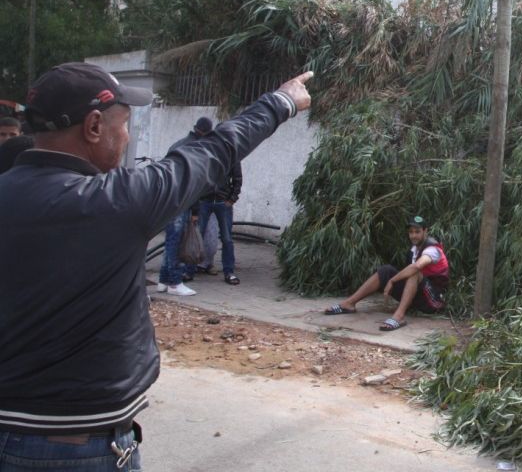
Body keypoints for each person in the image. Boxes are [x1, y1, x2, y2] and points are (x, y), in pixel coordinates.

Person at [0, 62, 311, 470]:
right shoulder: (115, 203)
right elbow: (213, 151)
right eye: (124, 124)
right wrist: (282, 101)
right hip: (77, 447)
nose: (126, 137)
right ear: (94, 126)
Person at [324, 215, 450, 331]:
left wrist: (393, 281)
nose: (413, 235)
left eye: (417, 232)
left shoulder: (433, 249)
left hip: (433, 300)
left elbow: (417, 266)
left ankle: (399, 316)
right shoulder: (414, 249)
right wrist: (390, 278)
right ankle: (349, 304)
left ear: (425, 231)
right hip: (418, 296)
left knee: (414, 272)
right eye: (411, 232)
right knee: (386, 270)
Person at [156, 117, 215, 296]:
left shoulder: (178, 145)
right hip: (182, 201)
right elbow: (195, 183)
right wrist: (195, 210)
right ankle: (174, 282)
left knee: (170, 241)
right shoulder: (197, 149)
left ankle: (164, 280)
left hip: (169, 199)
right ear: (206, 132)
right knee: (178, 242)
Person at [198, 123, 243, 285]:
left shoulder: (232, 154)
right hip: (206, 200)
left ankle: (229, 271)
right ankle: (189, 269)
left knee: (227, 238)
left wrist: (231, 199)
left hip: (223, 202)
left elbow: (237, 179)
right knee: (197, 234)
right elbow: (199, 176)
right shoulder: (206, 151)